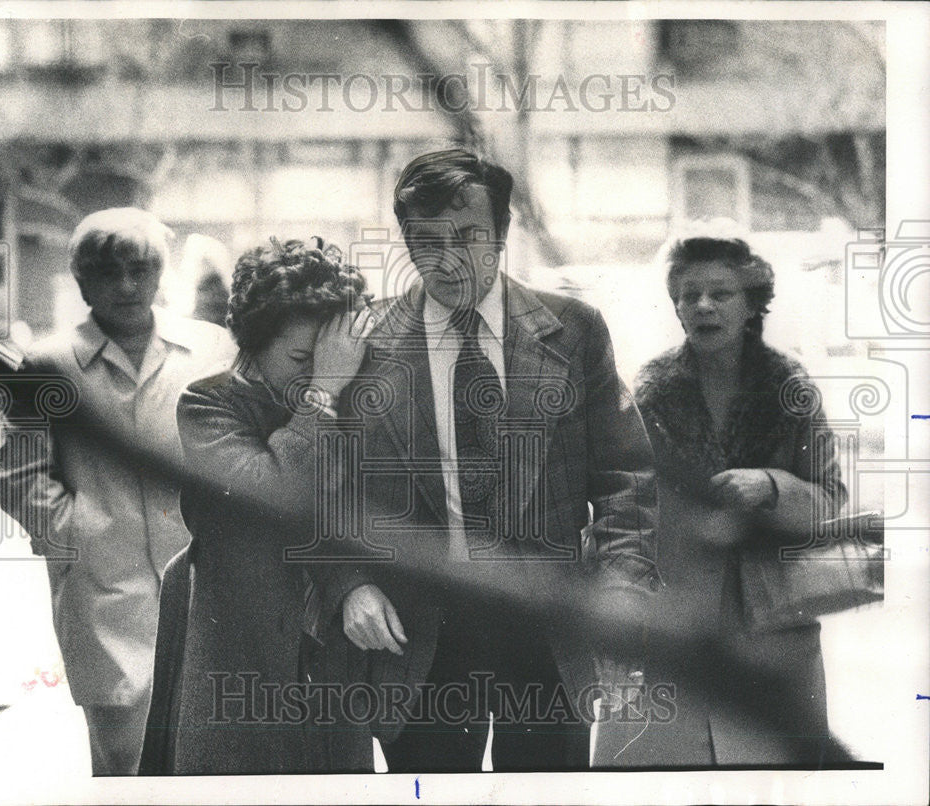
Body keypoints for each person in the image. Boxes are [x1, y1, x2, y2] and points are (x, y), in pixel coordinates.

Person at [311, 150, 660, 771]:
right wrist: (349, 581)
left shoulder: (573, 329)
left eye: (469, 236)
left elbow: (625, 478)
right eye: (427, 239)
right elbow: (331, 481)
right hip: (421, 629)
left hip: (548, 624)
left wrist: (622, 593)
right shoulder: (367, 345)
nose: (449, 259)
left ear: (501, 235)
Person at [0, 207, 234, 775]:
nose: (126, 285)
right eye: (107, 271)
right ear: (81, 280)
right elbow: (19, 475)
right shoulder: (48, 364)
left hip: (204, 586)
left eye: (141, 268)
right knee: (124, 759)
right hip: (103, 596)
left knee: (206, 754)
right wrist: (79, 533)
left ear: (161, 273)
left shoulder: (210, 349)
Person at [149, 237, 376, 774]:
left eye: (328, 357)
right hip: (239, 652)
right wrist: (323, 395)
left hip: (328, 662)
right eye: (301, 358)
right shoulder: (208, 404)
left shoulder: (349, 394)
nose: (314, 373)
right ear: (253, 342)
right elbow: (268, 496)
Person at [629, 234, 848, 766]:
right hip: (675, 620)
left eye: (721, 293)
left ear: (752, 304)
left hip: (772, 622)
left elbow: (829, 502)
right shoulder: (649, 391)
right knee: (656, 778)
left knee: (775, 776)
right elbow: (625, 504)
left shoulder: (789, 387)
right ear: (676, 306)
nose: (703, 305)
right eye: (689, 294)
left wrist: (771, 486)